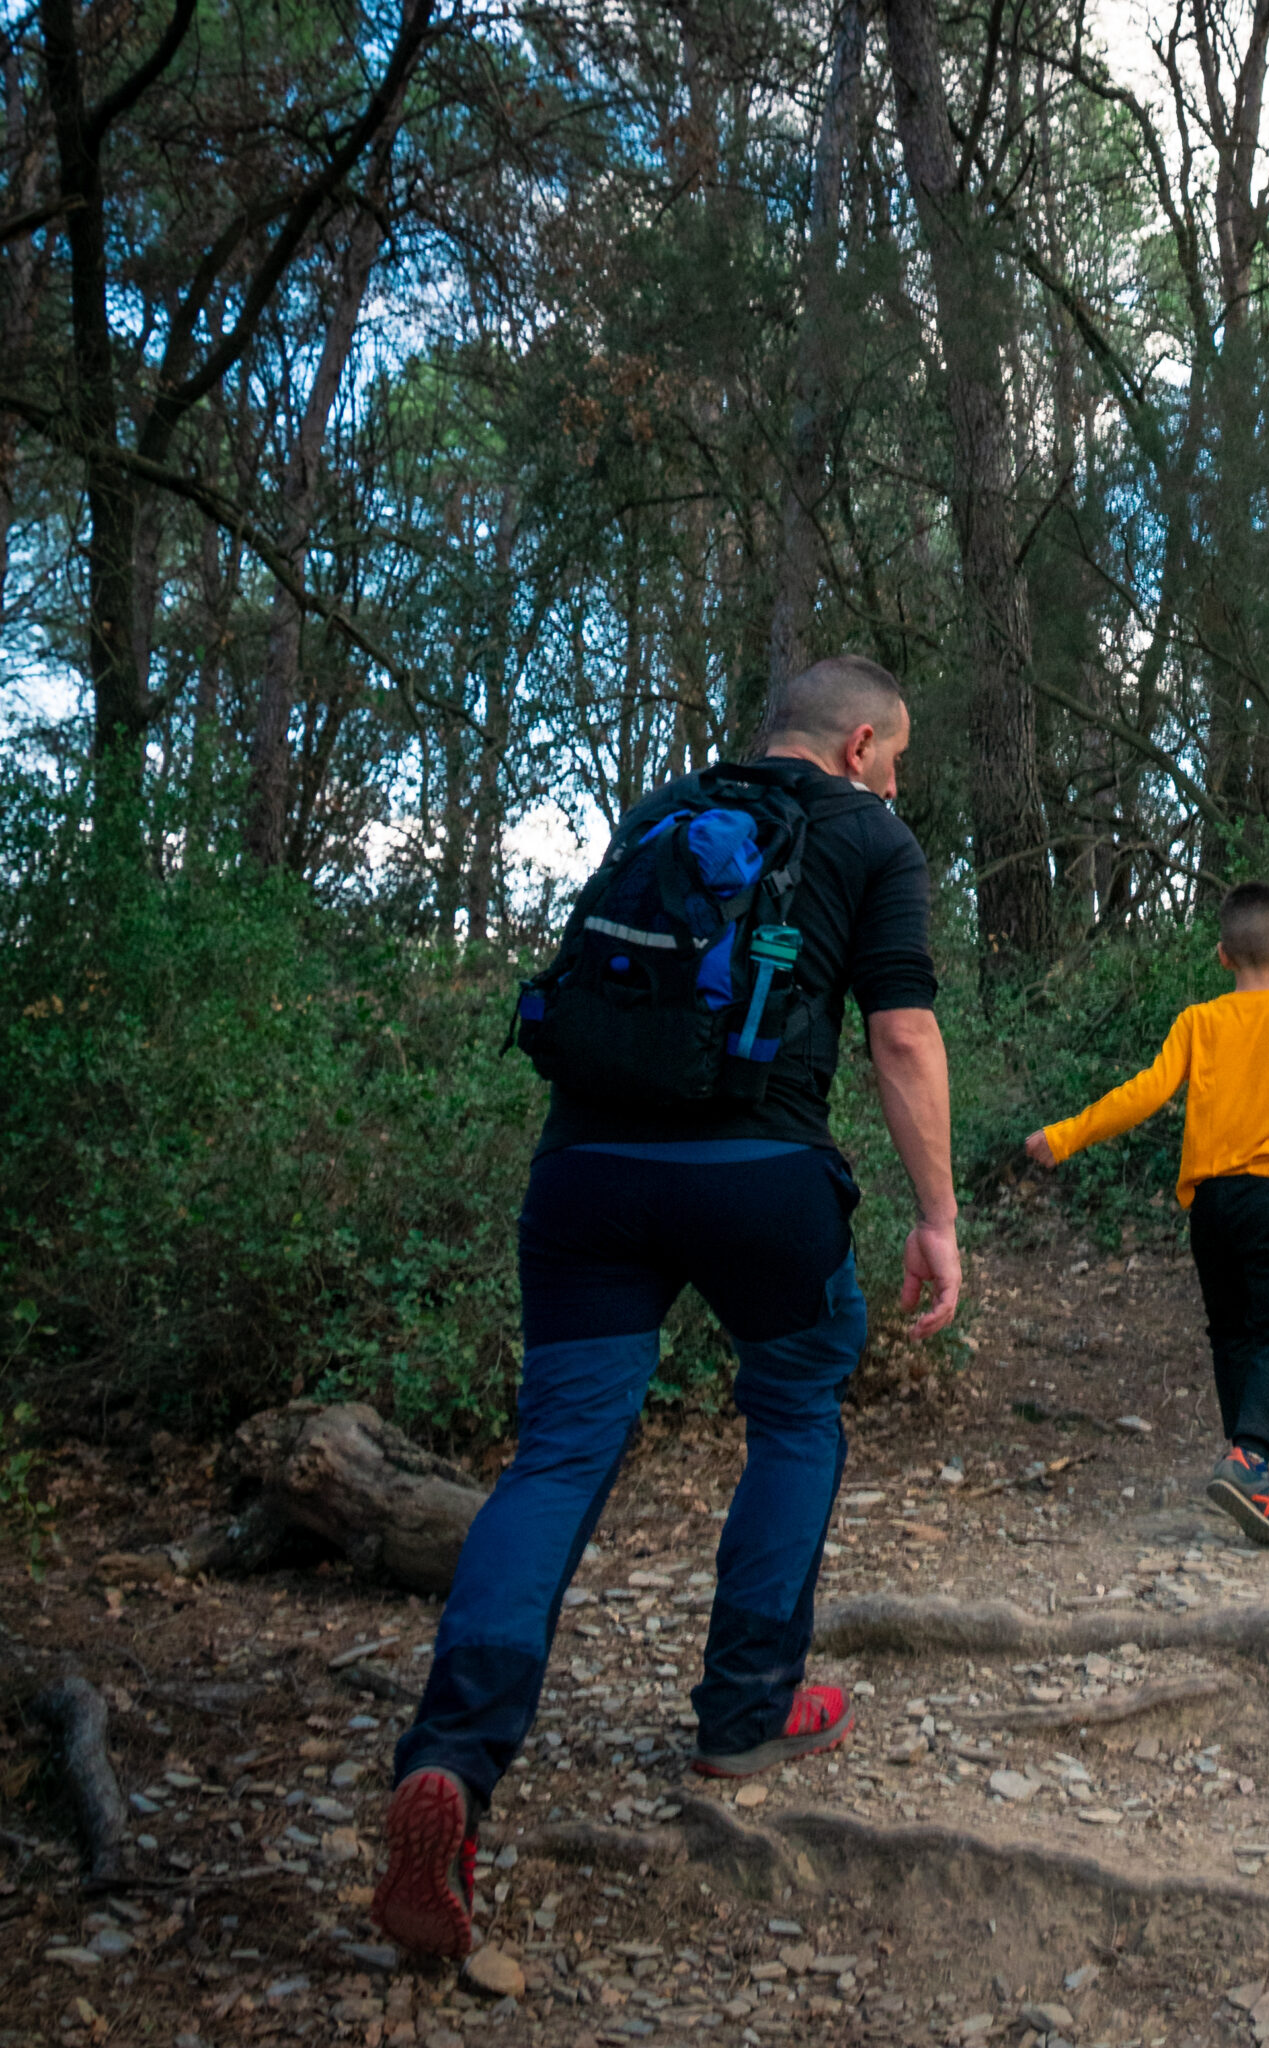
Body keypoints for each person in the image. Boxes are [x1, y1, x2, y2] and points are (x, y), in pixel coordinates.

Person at [372, 656, 961, 1958]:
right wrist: (937, 1215)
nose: (896, 780)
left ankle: (452, 1760)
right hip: (759, 1179)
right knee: (795, 1409)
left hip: (585, 1174)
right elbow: (902, 1036)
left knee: (558, 1453)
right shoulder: (872, 835)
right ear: (860, 745)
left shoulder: (662, 809)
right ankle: (745, 1712)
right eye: (897, 757)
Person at [1023, 883, 1269, 1548]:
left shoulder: (1198, 1023)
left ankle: (1250, 1473)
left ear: (1223, 955)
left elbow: (1143, 1093)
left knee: (1231, 1334)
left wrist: (1065, 1135)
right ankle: (1249, 1460)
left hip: (1213, 1206)